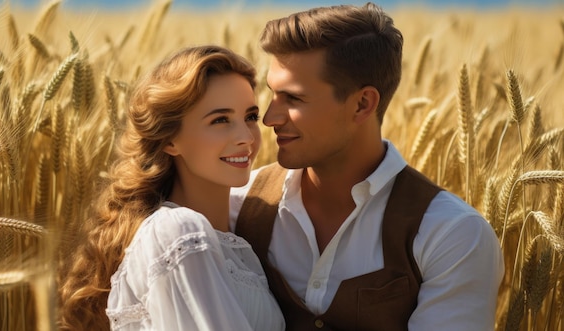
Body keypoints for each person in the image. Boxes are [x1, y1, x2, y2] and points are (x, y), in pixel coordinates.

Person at [230, 3, 504, 331]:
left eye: (294, 99)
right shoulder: (237, 204)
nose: (270, 118)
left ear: (362, 104)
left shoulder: (452, 235)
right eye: (272, 95)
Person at [59, 45, 285, 331]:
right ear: (170, 140)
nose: (246, 137)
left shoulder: (232, 235)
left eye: (250, 117)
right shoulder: (181, 232)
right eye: (220, 120)